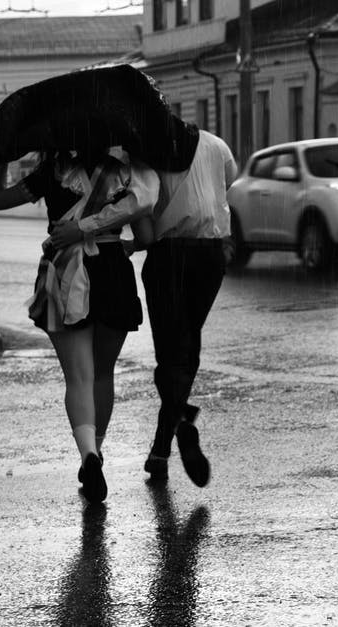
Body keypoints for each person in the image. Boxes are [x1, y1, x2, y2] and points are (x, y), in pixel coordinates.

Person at [0, 148, 159, 503]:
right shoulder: (125, 172)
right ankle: (97, 451)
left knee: (78, 377)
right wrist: (127, 242)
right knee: (102, 374)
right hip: (113, 272)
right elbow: (147, 234)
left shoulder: (51, 170)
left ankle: (88, 456)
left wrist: (0, 161)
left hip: (65, 272)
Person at [140, 128, 237, 487]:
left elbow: (141, 203)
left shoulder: (149, 150)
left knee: (169, 355)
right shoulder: (215, 143)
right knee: (188, 347)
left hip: (169, 255)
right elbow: (231, 181)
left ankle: (180, 420)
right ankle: (161, 450)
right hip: (210, 253)